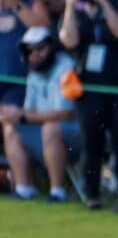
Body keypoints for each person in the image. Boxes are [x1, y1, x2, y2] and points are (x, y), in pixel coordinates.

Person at [57, 0, 118, 210]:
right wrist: (70, 6)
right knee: (93, 139)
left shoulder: (117, 6)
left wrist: (103, 2)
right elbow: (68, 41)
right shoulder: (77, 15)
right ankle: (92, 193)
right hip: (89, 88)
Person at [0, 26, 82, 202]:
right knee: (10, 127)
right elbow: (31, 109)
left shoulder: (67, 68)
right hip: (47, 136)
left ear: (51, 47)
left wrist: (24, 116)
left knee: (50, 129)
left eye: (40, 49)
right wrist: (14, 113)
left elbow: (65, 113)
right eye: (31, 51)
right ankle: (24, 188)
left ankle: (57, 191)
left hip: (73, 136)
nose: (35, 55)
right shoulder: (34, 72)